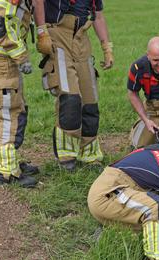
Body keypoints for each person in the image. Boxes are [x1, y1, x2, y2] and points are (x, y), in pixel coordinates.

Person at [33, 0, 114, 172]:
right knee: (70, 98)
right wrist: (42, 32)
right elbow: (37, 2)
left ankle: (89, 154)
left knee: (90, 101)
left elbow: (98, 16)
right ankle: (67, 156)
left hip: (81, 37)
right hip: (57, 36)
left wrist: (107, 48)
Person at [0, 0, 39, 188]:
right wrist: (21, 56)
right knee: (9, 111)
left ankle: (10, 160)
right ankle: (6, 171)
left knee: (17, 106)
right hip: (0, 54)